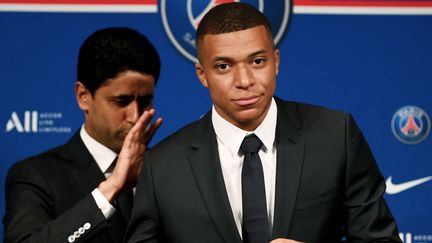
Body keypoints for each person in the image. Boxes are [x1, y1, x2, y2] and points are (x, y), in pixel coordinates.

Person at [125, 3, 401, 243]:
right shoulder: (162, 167)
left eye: (257, 61)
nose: (244, 81)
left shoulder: (335, 136)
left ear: (276, 62)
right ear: (202, 74)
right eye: (224, 66)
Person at [3, 27, 162, 243]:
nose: (135, 116)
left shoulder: (169, 170)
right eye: (121, 101)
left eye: (145, 102)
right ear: (83, 96)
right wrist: (111, 188)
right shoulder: (36, 176)